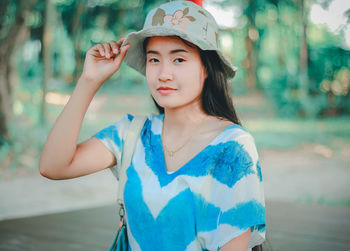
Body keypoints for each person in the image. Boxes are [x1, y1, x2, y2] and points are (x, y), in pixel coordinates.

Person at [39, 1, 266, 250]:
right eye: (154, 59)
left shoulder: (233, 146)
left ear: (206, 68)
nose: (163, 73)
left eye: (179, 59)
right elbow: (54, 166)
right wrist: (89, 81)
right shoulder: (132, 133)